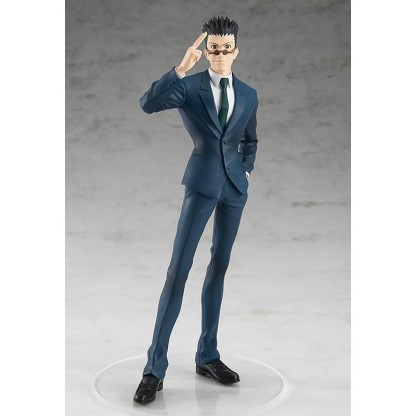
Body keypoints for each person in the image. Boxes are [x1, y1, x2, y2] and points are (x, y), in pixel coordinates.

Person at [133, 16, 258, 405]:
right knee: (178, 271)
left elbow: (251, 138)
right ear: (206, 51)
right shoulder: (189, 87)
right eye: (213, 48)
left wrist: (246, 169)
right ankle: (154, 368)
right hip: (202, 184)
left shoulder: (249, 93)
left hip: (234, 188)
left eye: (225, 48)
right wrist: (180, 69)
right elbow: (148, 104)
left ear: (235, 51)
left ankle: (208, 355)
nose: (219, 54)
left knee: (219, 266)